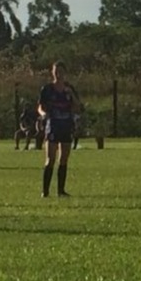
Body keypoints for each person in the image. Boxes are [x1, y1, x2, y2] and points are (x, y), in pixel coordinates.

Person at [38, 61, 83, 197]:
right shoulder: (47, 89)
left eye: (61, 71)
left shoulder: (70, 88)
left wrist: (72, 96)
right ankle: (45, 191)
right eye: (56, 71)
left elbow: (78, 107)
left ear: (65, 72)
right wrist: (43, 114)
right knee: (50, 159)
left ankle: (61, 191)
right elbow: (40, 107)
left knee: (63, 158)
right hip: (53, 125)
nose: (59, 74)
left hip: (66, 124)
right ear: (52, 72)